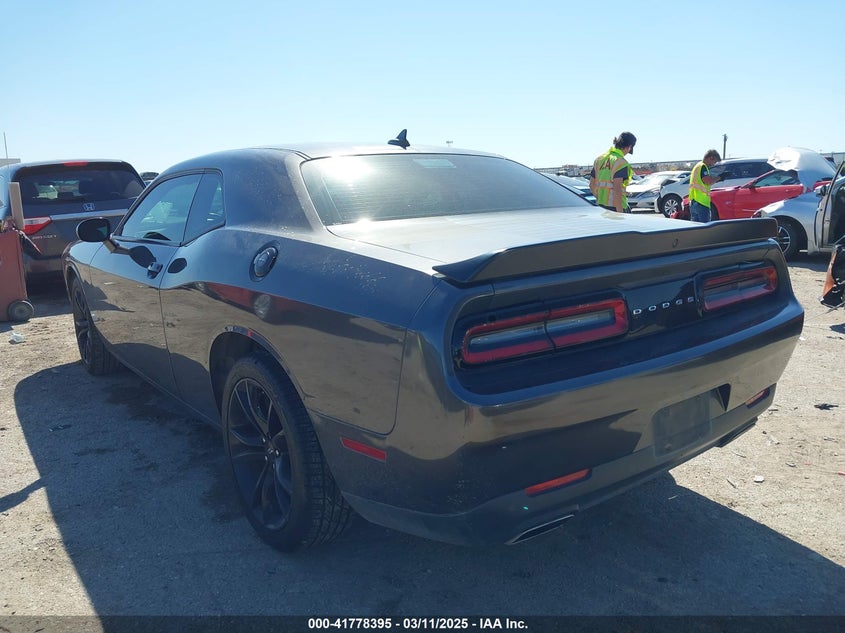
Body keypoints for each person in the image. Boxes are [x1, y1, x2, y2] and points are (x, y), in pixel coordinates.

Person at [590, 132, 636, 213]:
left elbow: (591, 185)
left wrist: (599, 199)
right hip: (616, 208)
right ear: (629, 147)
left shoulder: (599, 160)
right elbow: (617, 190)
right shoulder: (621, 162)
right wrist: (620, 213)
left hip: (602, 208)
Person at [688, 149, 724, 222]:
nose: (713, 164)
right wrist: (720, 177)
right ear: (711, 158)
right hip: (702, 202)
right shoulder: (703, 167)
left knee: (695, 226)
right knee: (705, 226)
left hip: (694, 201)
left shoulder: (697, 166)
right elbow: (708, 181)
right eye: (714, 162)